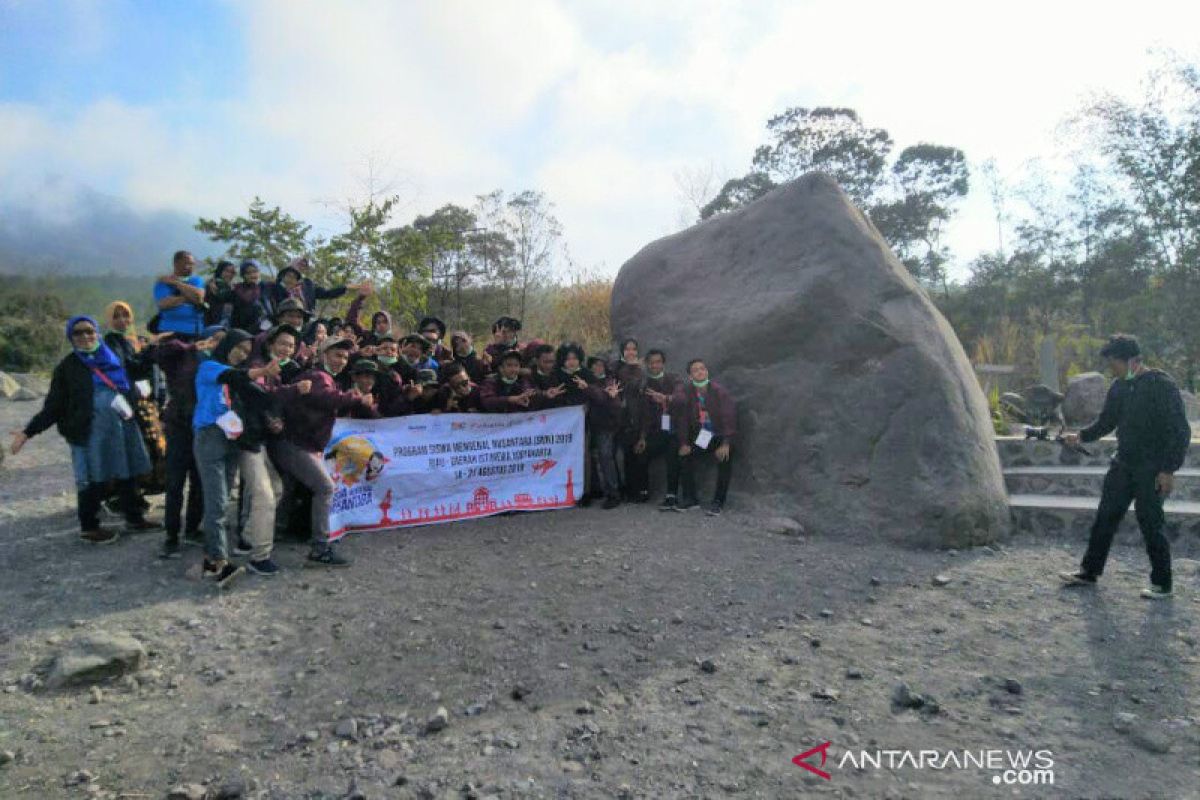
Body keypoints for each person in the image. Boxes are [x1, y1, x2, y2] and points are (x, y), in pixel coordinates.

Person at [1059, 334, 1191, 599]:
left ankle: (1162, 584)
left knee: (1150, 522)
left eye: (1114, 364)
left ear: (1133, 361)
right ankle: (1089, 572)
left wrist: (1168, 469)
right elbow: (1106, 422)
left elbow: (1180, 431)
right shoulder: (1119, 387)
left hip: (1152, 469)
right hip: (1123, 464)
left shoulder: (1161, 385)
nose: (1112, 369)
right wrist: (1081, 436)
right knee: (1105, 517)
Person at [11, 316, 161, 543]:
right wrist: (27, 432)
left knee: (127, 470)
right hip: (90, 431)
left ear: (97, 333)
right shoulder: (68, 367)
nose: (85, 337)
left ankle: (134, 518)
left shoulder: (111, 358)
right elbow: (54, 405)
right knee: (92, 477)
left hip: (122, 426)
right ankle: (89, 527)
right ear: (71, 338)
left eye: (89, 331)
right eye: (78, 333)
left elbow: (134, 378)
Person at [274, 337, 377, 566]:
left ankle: (274, 531)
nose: (342, 360)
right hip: (295, 444)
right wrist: (357, 398)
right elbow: (326, 399)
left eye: (345, 356)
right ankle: (320, 548)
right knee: (325, 487)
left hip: (299, 443)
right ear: (324, 355)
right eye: (337, 355)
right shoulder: (319, 376)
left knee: (290, 489)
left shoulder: (327, 378)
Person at [152, 326, 224, 556]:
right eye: (213, 338)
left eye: (222, 339)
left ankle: (192, 528)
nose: (216, 343)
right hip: (179, 426)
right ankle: (171, 535)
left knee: (200, 480)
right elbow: (158, 353)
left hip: (206, 428)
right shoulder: (182, 355)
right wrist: (192, 346)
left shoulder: (223, 363)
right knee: (175, 482)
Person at [103, 301, 168, 509]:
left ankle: (136, 493)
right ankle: (123, 497)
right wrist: (149, 351)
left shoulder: (134, 341)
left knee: (150, 448)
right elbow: (129, 368)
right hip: (129, 403)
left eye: (126, 315)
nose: (122, 320)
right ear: (109, 320)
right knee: (134, 449)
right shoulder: (112, 342)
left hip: (145, 403)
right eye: (117, 316)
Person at [672, 359, 736, 516]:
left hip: (720, 436)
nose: (700, 372)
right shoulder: (687, 392)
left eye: (702, 369)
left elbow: (729, 417)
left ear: (707, 372)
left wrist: (726, 443)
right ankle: (690, 498)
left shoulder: (718, 391)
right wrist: (684, 443)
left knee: (725, 458)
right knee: (684, 455)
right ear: (690, 376)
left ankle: (718, 502)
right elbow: (683, 420)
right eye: (695, 370)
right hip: (704, 436)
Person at [635, 349, 683, 509]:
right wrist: (642, 437)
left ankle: (671, 495)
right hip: (655, 431)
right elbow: (644, 414)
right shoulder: (644, 384)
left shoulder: (674, 378)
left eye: (658, 362)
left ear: (663, 363)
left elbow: (681, 397)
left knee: (672, 456)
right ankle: (643, 491)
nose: (655, 365)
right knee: (642, 452)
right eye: (651, 362)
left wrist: (666, 398)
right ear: (647, 364)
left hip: (674, 430)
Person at [584, 356, 623, 509]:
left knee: (606, 458)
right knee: (591, 459)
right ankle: (595, 490)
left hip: (606, 426)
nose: (597, 368)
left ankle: (613, 493)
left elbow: (602, 398)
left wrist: (589, 388)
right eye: (594, 365)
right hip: (590, 424)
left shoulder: (610, 381)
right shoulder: (587, 380)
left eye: (600, 365)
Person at [153, 250, 208, 340]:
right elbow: (164, 303)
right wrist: (189, 297)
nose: (191, 267)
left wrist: (176, 283)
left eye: (192, 264)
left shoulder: (196, 280)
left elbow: (198, 297)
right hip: (169, 330)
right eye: (187, 264)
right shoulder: (163, 283)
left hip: (194, 330)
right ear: (176, 264)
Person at [267, 256, 352, 313]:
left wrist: (345, 287)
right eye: (299, 264)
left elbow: (326, 293)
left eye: (304, 266)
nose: (301, 267)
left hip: (303, 318)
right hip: (282, 315)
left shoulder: (308, 284)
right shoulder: (279, 282)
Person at [228, 259, 274, 333]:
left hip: (266, 329)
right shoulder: (237, 289)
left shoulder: (266, 287)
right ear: (243, 275)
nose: (252, 275)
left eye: (255, 271)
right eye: (248, 273)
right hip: (243, 331)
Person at [204, 260, 237, 327]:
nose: (229, 274)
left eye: (232, 272)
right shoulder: (213, 285)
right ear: (220, 271)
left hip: (226, 323)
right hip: (214, 323)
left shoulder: (231, 287)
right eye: (226, 271)